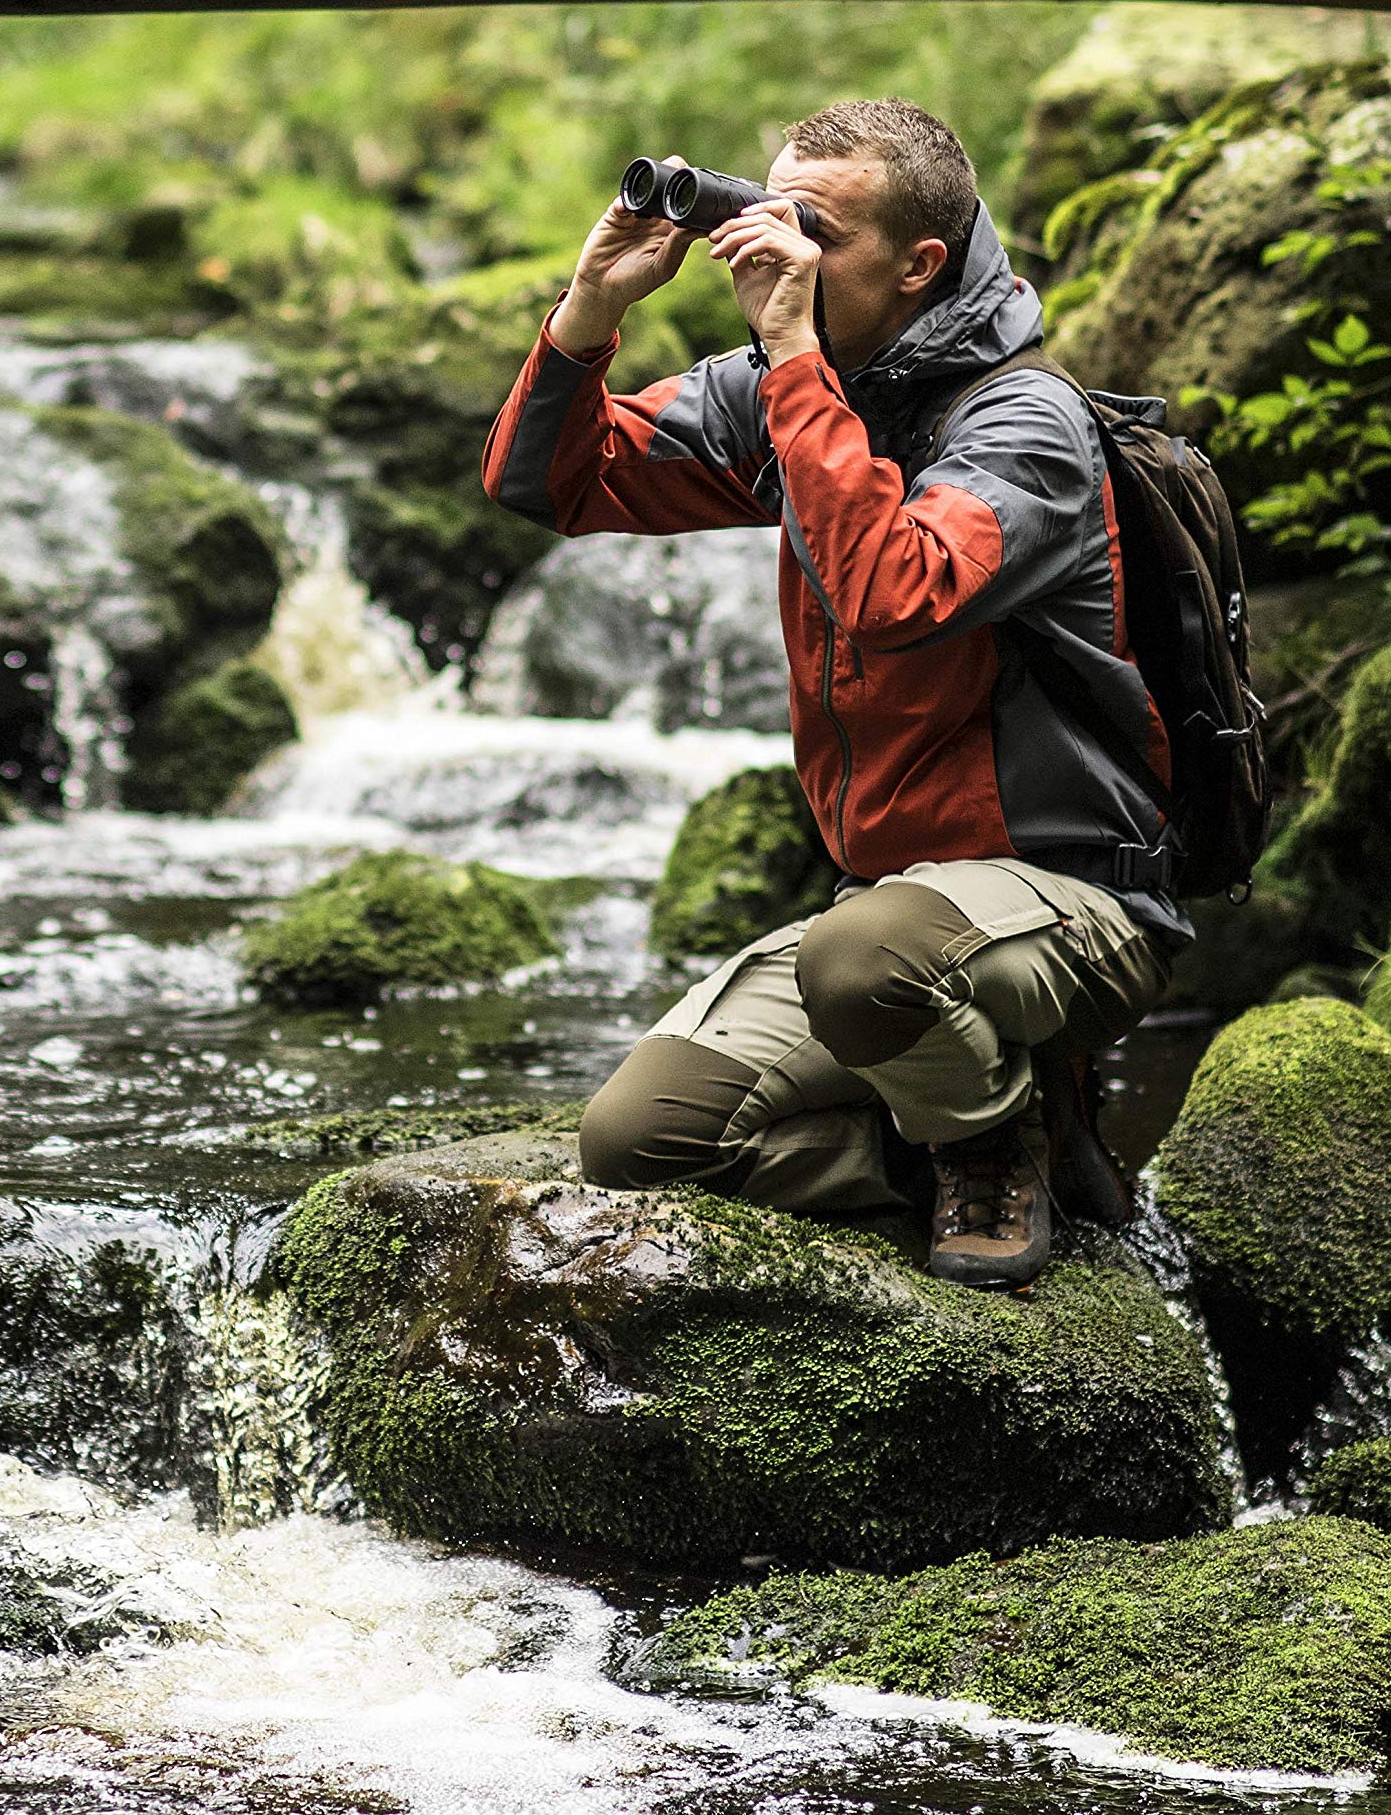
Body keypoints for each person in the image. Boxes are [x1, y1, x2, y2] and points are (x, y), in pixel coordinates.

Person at [480, 97, 1189, 1288]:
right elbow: (549, 485)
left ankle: (986, 1140)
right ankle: (952, 1140)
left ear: (919, 265)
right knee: (634, 1141)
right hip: (899, 913)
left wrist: (799, 362)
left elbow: (895, 593)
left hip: (1074, 899)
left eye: (816, 231)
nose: (776, 251)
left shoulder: (1025, 426)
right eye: (768, 215)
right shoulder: (782, 394)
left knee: (863, 959)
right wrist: (591, 311)